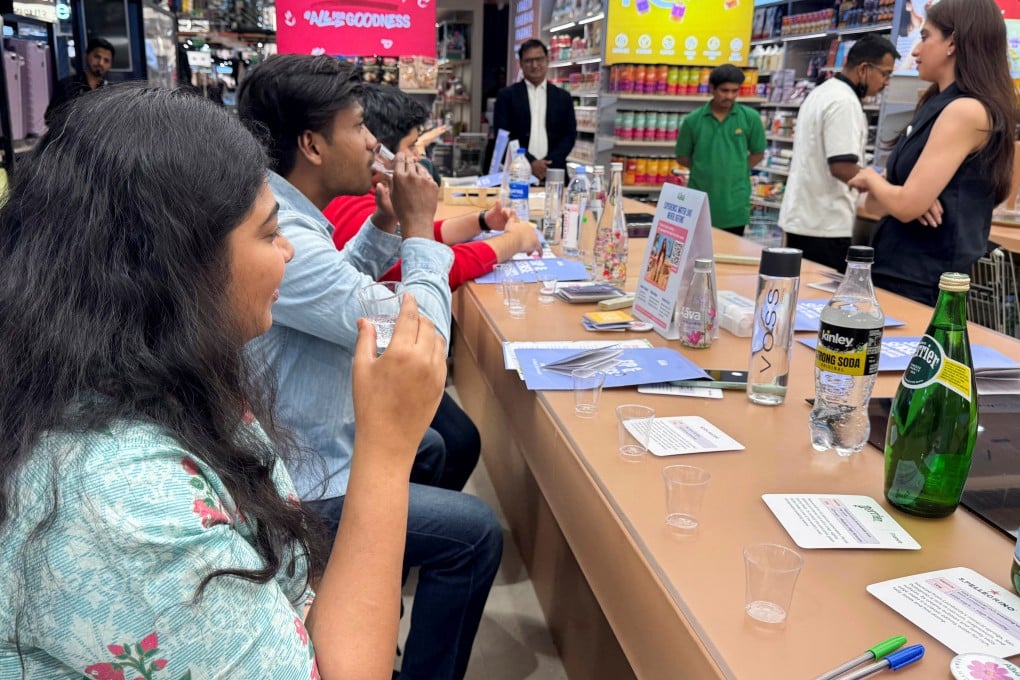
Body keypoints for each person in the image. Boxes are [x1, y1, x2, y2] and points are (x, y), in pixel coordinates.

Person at [0, 84, 448, 679]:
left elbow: (291, 587)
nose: (287, 250)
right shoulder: (123, 504)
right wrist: (387, 451)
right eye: (267, 235)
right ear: (178, 265)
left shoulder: (164, 380)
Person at [237, 55, 503, 680]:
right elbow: (418, 340)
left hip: (315, 440)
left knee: (434, 448)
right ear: (312, 144)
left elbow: (340, 289)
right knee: (475, 533)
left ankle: (374, 595)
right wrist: (417, 228)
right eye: (360, 127)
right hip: (302, 477)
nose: (375, 143)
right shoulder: (288, 239)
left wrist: (386, 222)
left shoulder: (291, 215)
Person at [849, 0, 1018, 306]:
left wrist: (871, 179)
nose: (915, 50)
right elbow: (880, 204)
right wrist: (897, 192)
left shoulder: (965, 110)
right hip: (897, 268)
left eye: (925, 37)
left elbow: (904, 204)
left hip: (922, 281)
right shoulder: (936, 104)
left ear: (952, 42)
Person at [324, 84, 541, 290]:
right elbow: (432, 269)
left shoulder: (371, 195)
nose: (419, 156)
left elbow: (414, 238)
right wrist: (515, 240)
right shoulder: (358, 208)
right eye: (411, 146)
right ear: (379, 150)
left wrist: (481, 221)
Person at [779, 36, 899, 272]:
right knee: (819, 300)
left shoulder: (823, 92)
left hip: (805, 218)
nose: (886, 83)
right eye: (885, 74)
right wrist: (887, 189)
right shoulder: (844, 101)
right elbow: (842, 166)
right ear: (864, 68)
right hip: (824, 224)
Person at [675, 64, 767, 236]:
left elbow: (758, 152)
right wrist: (706, 168)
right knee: (697, 256)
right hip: (699, 201)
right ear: (712, 88)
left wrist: (737, 168)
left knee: (730, 255)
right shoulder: (693, 120)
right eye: (724, 90)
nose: (730, 96)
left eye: (735, 91)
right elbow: (682, 157)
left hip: (735, 204)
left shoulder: (750, 118)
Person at [493, 38, 577, 181]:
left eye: (539, 59)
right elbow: (503, 134)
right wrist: (530, 162)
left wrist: (548, 163)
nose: (535, 65)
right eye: (528, 61)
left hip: (554, 171)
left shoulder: (563, 97)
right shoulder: (507, 96)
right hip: (518, 172)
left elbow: (569, 135)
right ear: (520, 64)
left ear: (547, 60)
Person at [44, 37, 114, 125]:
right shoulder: (67, 85)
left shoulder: (112, 91)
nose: (101, 63)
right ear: (86, 56)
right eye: (97, 57)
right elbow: (50, 118)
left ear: (110, 65)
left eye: (106, 60)